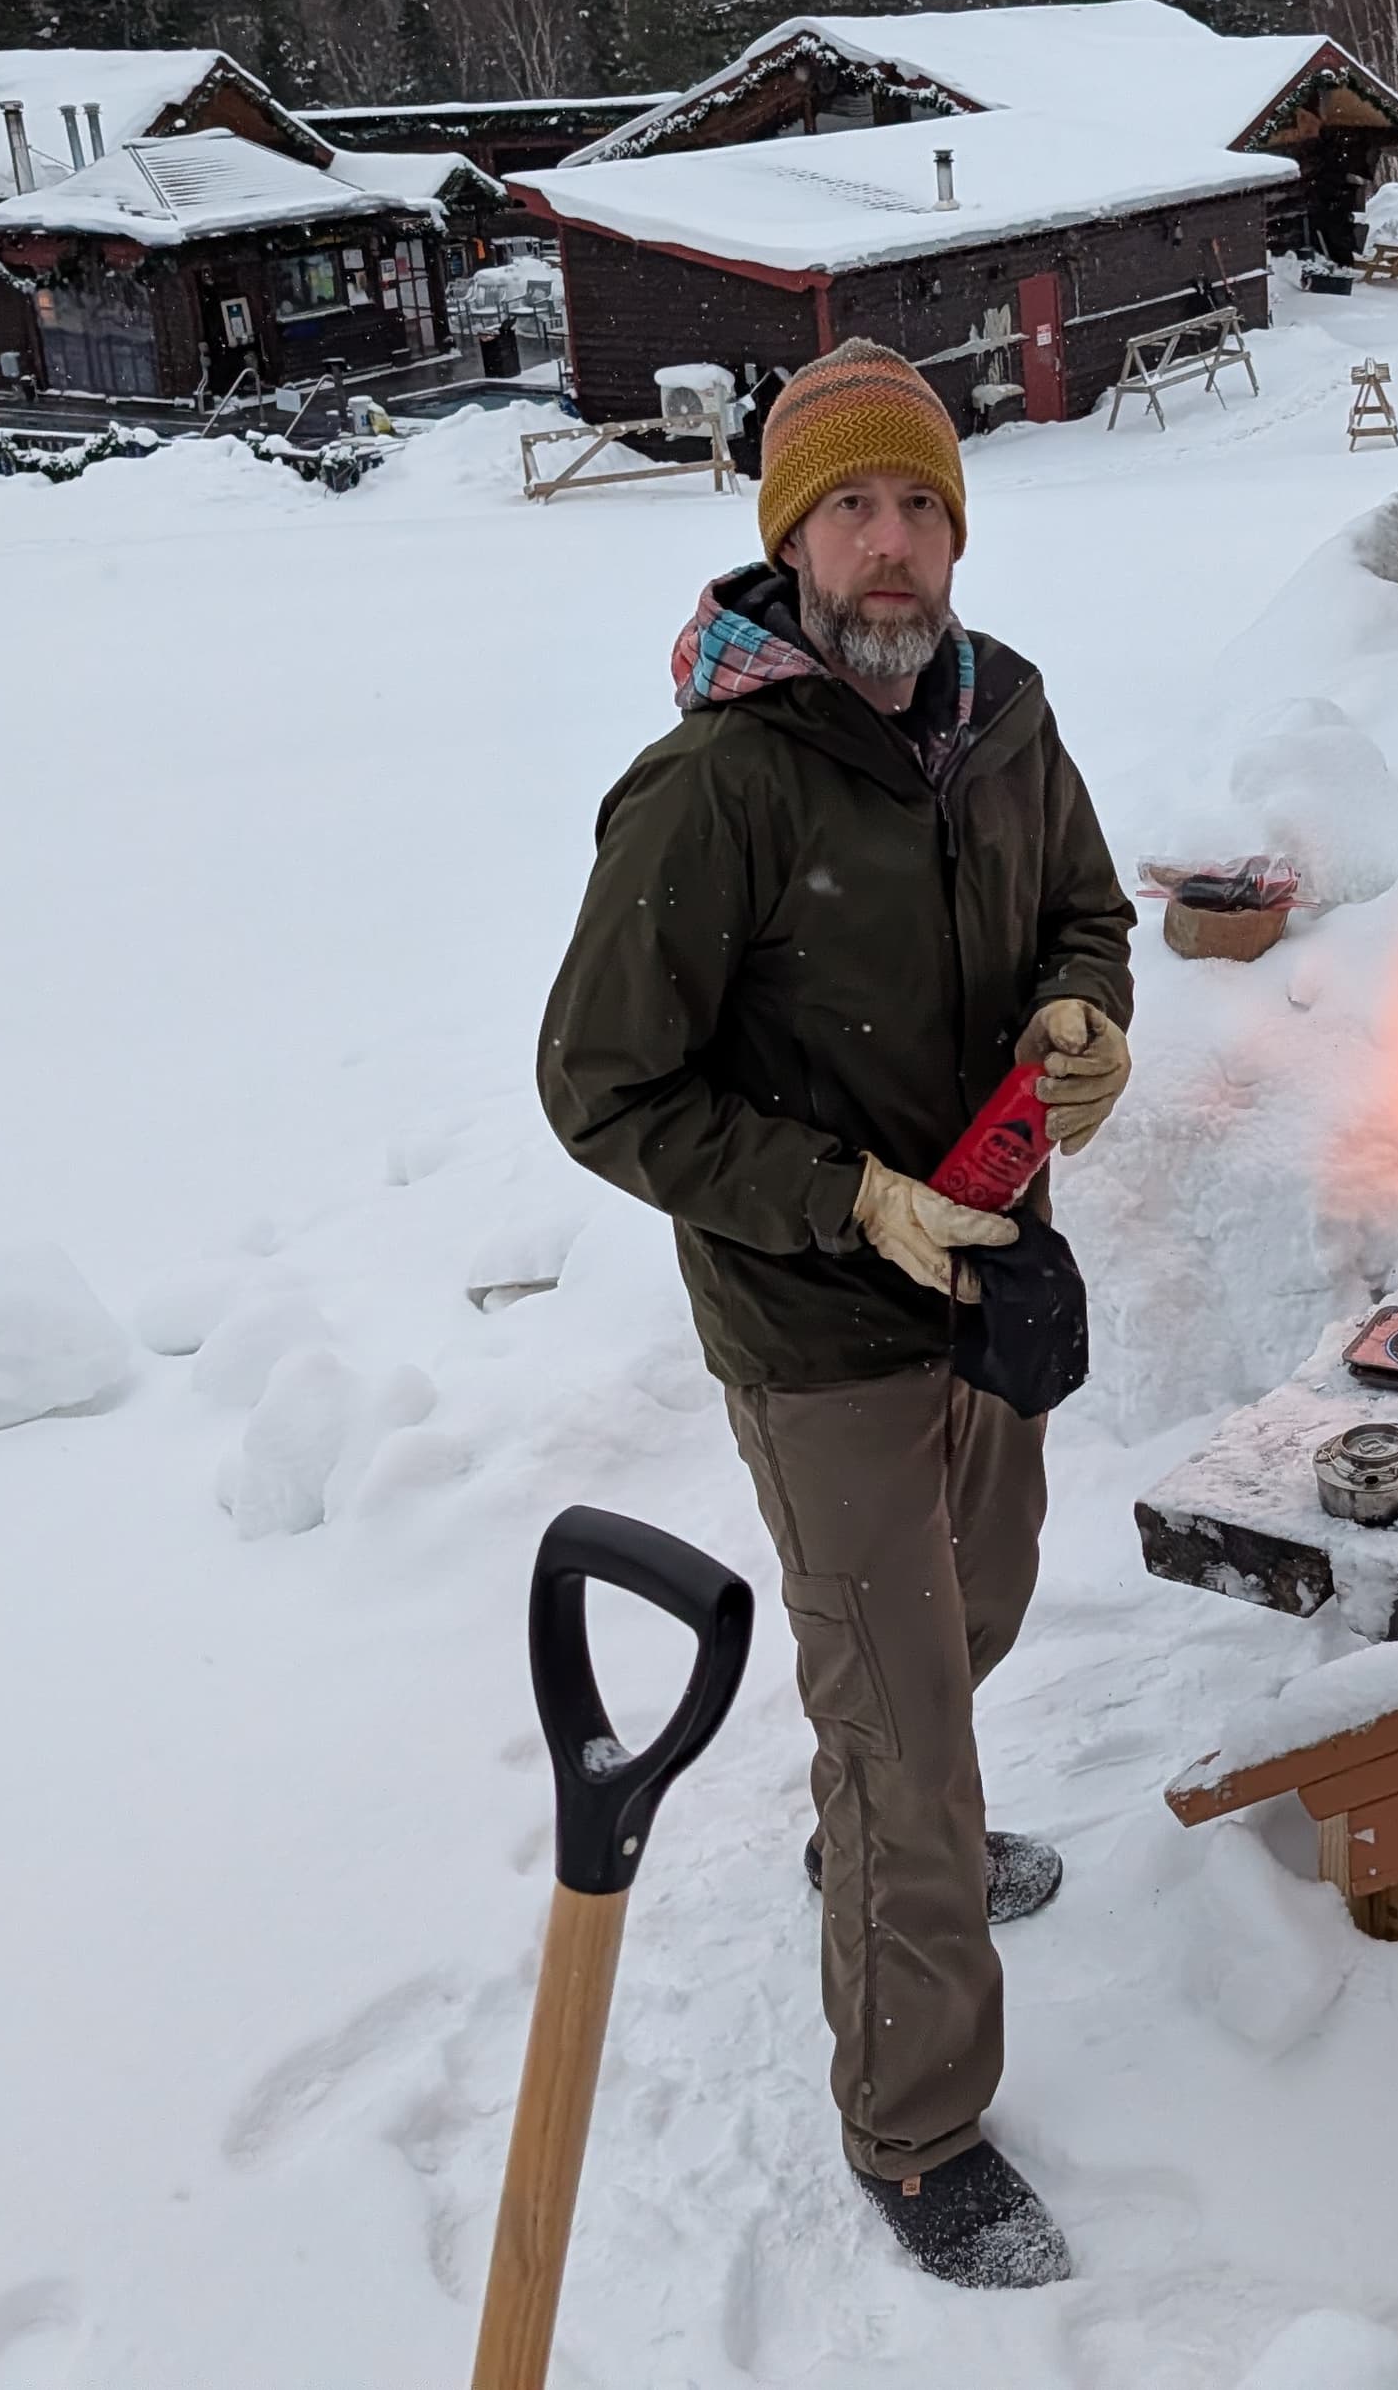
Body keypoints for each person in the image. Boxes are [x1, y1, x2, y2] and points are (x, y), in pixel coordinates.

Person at [536, 336, 1134, 2290]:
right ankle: (915, 2123)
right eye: (850, 511)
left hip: (988, 1272)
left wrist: (1081, 1018)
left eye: (920, 508)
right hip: (816, 1327)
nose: (891, 550)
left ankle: (873, 1844)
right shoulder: (716, 788)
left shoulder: (1007, 718)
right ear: (790, 537)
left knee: (980, 1612)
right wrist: (840, 1199)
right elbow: (601, 1084)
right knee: (907, 1737)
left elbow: (1086, 915)